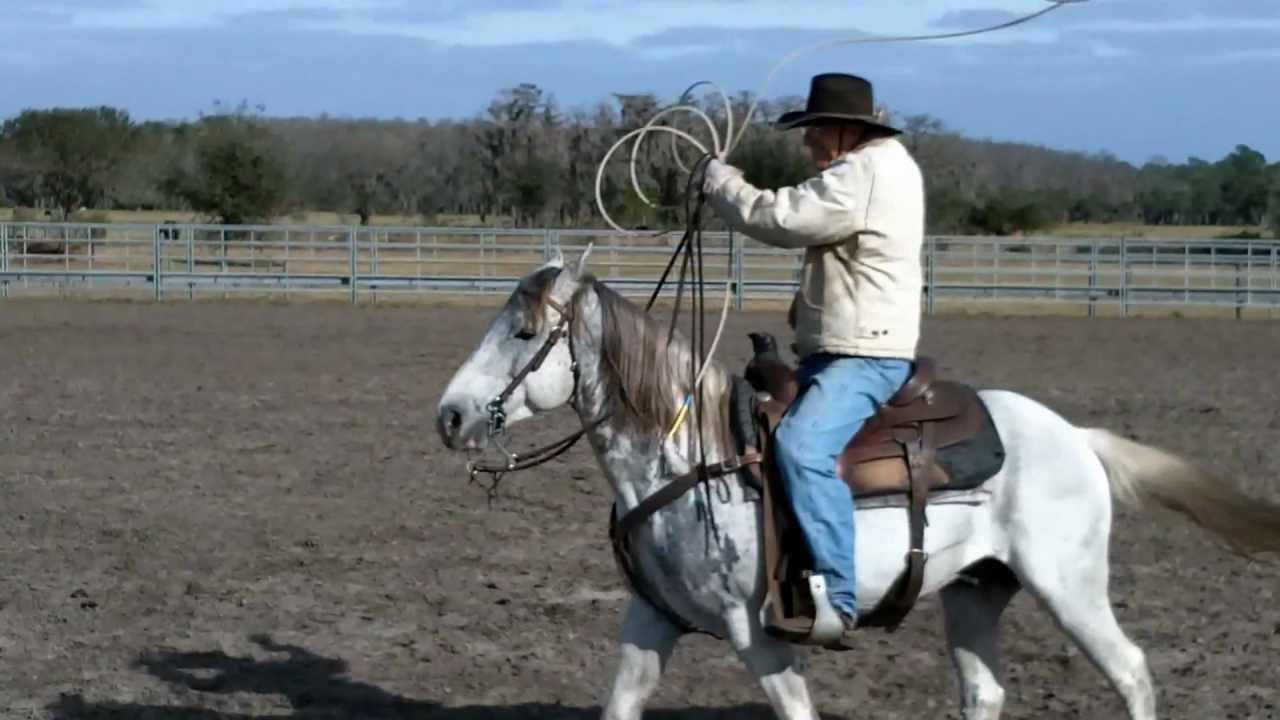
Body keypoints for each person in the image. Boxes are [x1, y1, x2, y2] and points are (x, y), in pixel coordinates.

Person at [701, 72, 925, 645]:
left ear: (844, 129)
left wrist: (723, 184)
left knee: (801, 449)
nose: (807, 145)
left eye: (813, 131)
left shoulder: (867, 170)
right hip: (843, 348)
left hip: (865, 354)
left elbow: (784, 217)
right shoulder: (871, 166)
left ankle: (838, 598)